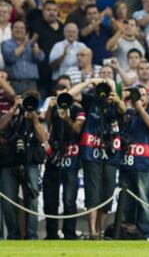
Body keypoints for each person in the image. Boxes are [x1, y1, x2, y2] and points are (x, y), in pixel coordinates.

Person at [68, 78, 125, 239]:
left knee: (107, 193)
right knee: (92, 192)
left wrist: (116, 97)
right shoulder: (91, 101)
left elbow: (123, 110)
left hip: (111, 154)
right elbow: (70, 95)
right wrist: (89, 82)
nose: (105, 91)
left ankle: (99, 230)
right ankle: (92, 231)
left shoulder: (116, 102)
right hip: (91, 152)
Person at [0, 90, 48, 239]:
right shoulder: (12, 114)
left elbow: (43, 139)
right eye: (27, 100)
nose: (29, 104)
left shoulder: (37, 116)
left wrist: (34, 120)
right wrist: (14, 108)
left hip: (31, 161)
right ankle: (13, 236)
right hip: (9, 160)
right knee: (8, 201)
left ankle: (32, 236)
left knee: (33, 201)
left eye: (33, 101)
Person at [43, 82, 85, 240]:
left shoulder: (77, 108)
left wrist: (66, 117)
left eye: (65, 93)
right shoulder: (53, 108)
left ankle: (69, 234)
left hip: (72, 159)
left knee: (69, 199)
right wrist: (50, 107)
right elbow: (48, 125)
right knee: (50, 200)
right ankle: (51, 234)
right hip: (54, 158)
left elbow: (77, 130)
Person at [120, 85, 149, 240]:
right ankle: (129, 232)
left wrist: (140, 109)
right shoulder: (127, 113)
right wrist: (123, 98)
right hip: (126, 163)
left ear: (148, 98)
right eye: (137, 95)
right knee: (126, 203)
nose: (140, 98)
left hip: (143, 164)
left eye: (144, 95)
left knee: (144, 202)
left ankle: (147, 233)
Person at [1, 20, 45, 95]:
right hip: (14, 83)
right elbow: (10, 58)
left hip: (31, 84)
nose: (19, 30)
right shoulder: (6, 44)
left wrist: (33, 46)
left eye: (22, 28)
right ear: (11, 30)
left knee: (31, 106)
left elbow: (40, 58)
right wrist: (24, 44)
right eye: (16, 28)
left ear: (25, 31)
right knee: (14, 106)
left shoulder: (32, 44)